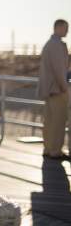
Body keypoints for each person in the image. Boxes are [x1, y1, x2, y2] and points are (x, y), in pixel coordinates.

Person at [37, 19, 70, 160]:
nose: (67, 31)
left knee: (49, 121)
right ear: (58, 28)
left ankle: (48, 148)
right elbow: (59, 69)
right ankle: (55, 150)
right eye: (66, 28)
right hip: (57, 89)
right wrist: (64, 87)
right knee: (58, 121)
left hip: (49, 89)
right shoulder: (57, 45)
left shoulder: (49, 44)